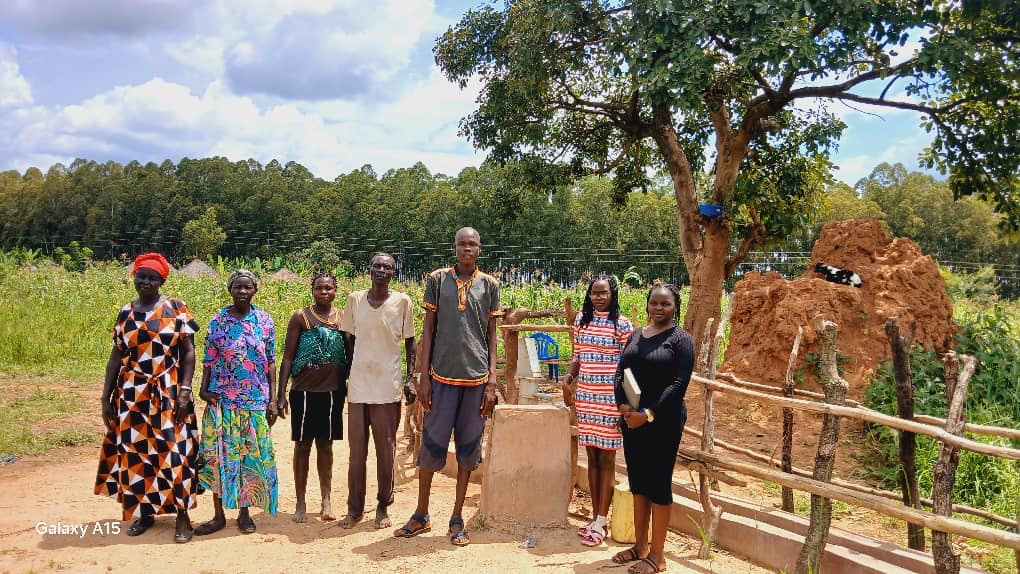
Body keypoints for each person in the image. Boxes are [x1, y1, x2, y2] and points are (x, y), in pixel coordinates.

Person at [394, 227, 499, 547]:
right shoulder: (437, 280)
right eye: (462, 244)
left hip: (477, 381)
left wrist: (492, 380)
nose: (467, 249)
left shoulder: (490, 285)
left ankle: (456, 518)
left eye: (473, 245)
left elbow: (492, 335)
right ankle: (421, 513)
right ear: (454, 248)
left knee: (468, 450)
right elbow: (428, 329)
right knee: (431, 446)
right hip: (440, 380)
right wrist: (422, 376)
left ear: (480, 249)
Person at [95, 252, 200, 543]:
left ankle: (182, 516)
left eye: (153, 277)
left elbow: (189, 351)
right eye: (141, 276)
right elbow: (116, 356)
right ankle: (145, 512)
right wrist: (106, 397)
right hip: (132, 394)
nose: (146, 281)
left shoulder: (176, 308)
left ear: (162, 279)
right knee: (137, 453)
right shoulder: (125, 313)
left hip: (168, 390)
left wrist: (185, 390)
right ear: (134, 277)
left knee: (174, 451)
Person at [611, 283, 694, 574]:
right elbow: (621, 372)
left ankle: (657, 556)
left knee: (658, 484)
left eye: (665, 304)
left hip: (663, 420)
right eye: (654, 303)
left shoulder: (681, 340)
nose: (659, 308)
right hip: (632, 419)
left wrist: (648, 413)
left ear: (675, 307)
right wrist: (622, 405)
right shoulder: (636, 335)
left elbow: (679, 384)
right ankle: (640, 546)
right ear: (647, 305)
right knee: (638, 483)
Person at [195, 270, 280, 535]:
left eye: (248, 287)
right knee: (219, 458)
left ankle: (244, 513)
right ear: (230, 290)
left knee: (249, 458)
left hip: (254, 400)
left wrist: (274, 399)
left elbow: (271, 362)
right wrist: (203, 389)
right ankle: (218, 515)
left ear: (255, 290)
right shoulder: (218, 321)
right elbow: (208, 359)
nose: (243, 292)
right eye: (238, 287)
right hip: (222, 400)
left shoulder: (264, 320)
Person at [339, 253, 416, 530]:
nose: (381, 270)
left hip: (387, 387)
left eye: (387, 267)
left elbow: (410, 343)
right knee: (356, 453)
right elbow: (347, 338)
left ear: (393, 272)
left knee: (386, 451)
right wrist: (351, 369)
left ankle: (383, 505)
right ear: (369, 270)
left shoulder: (402, 302)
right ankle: (354, 509)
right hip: (359, 387)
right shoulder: (354, 300)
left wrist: (411, 378)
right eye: (377, 266)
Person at [562, 275, 633, 546]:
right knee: (591, 456)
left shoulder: (622, 324)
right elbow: (578, 355)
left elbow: (628, 365)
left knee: (607, 458)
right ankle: (595, 518)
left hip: (609, 399)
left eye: (603, 293)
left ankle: (602, 519)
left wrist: (627, 401)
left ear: (612, 295)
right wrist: (569, 378)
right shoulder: (582, 320)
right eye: (594, 293)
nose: (599, 297)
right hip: (587, 397)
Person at [277, 271, 347, 523]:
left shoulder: (343, 317)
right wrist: (280, 394)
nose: (324, 292)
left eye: (328, 288)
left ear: (335, 290)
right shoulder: (301, 317)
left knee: (326, 445)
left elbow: (350, 353)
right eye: (319, 288)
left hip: (332, 392)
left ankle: (326, 500)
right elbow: (287, 357)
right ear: (312, 290)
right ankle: (300, 501)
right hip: (303, 392)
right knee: (303, 445)